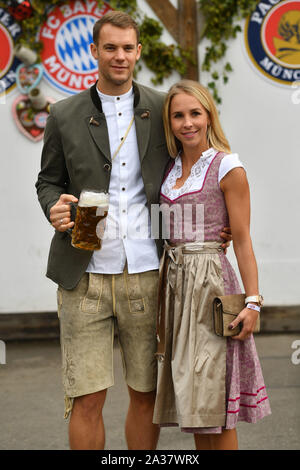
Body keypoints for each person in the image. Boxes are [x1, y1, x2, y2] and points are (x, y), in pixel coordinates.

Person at [35, 11, 231, 450]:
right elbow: (48, 180)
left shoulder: (163, 107)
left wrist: (222, 223)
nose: (119, 56)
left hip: (148, 270)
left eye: (127, 48)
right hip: (82, 275)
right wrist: (54, 206)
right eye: (110, 48)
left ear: (138, 51)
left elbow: (200, 162)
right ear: (94, 52)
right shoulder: (64, 114)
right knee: (86, 397)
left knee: (145, 395)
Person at [153, 80, 271, 450]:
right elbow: (164, 227)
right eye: (178, 115)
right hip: (176, 285)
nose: (187, 123)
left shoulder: (227, 166)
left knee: (214, 401)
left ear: (208, 116)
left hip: (212, 287)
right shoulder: (169, 169)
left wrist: (253, 301)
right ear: (169, 122)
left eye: (195, 113)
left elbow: (242, 238)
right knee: (197, 405)